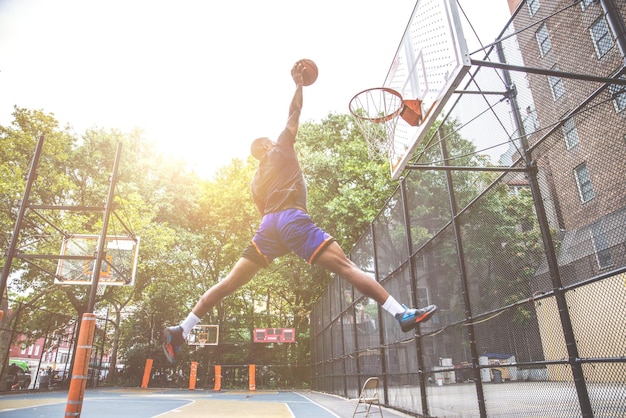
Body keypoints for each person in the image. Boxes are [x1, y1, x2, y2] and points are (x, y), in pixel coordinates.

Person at [162, 61, 437, 363]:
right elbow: (294, 113)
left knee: (229, 283)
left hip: (267, 228)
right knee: (346, 266)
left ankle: (182, 329)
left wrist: (279, 238)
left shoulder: (255, 180)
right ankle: (402, 314)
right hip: (291, 219)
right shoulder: (280, 147)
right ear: (266, 144)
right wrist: (298, 84)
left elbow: (261, 211)